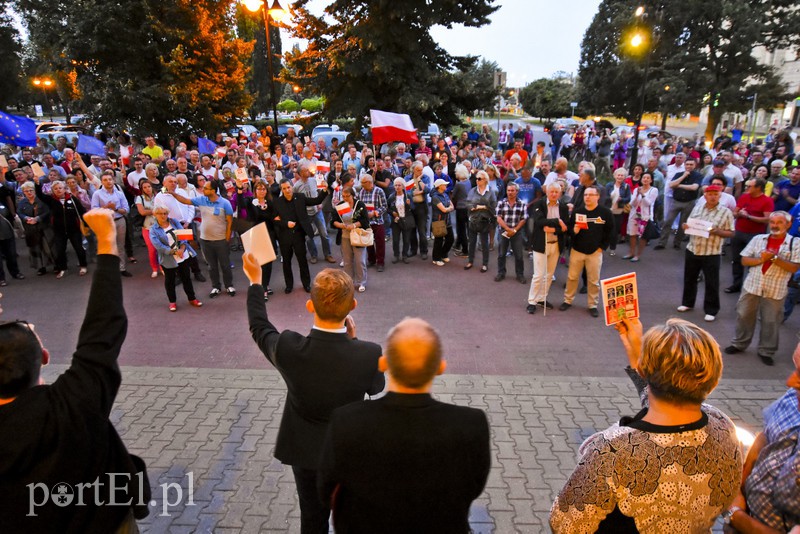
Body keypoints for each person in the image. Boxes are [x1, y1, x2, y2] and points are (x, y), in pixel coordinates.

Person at [0, 208, 150, 533]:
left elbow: (102, 332)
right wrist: (107, 241)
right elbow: (103, 326)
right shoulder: (72, 404)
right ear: (44, 356)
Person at [550, 317, 742, 532]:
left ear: (644, 369)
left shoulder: (614, 450)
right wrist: (637, 354)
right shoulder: (721, 424)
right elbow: (665, 400)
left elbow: (564, 524)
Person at [243, 254, 384, 534]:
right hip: (348, 454)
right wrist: (354, 341)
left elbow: (259, 327)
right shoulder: (368, 353)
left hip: (305, 455)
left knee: (312, 518)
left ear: (310, 306)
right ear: (352, 306)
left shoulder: (289, 348)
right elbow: (376, 387)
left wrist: (256, 282)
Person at [318, 317, 491, 533]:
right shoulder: (471, 424)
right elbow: (473, 486)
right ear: (440, 367)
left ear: (383, 364)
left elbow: (326, 490)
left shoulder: (346, 421)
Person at [723, 340, 800, 532]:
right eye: (797, 369)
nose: (790, 382)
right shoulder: (793, 396)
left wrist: (735, 515)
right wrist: (739, 486)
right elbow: (765, 436)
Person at [725, 211, 800, 366]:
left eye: (779, 222)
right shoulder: (758, 239)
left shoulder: (795, 243)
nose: (775, 225)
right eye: (772, 222)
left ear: (788, 224)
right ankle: (739, 343)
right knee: (744, 315)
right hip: (752, 285)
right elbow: (744, 260)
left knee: (771, 321)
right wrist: (761, 259)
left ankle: (766, 351)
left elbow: (794, 267)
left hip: (776, 288)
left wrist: (774, 258)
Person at [676, 184, 735, 322]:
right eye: (710, 194)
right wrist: (685, 226)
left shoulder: (726, 212)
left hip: (711, 252)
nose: (713, 197)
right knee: (690, 278)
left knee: (711, 282)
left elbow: (731, 232)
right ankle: (687, 303)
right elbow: (689, 224)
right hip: (693, 248)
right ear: (705, 196)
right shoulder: (697, 208)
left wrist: (717, 231)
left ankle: (711, 310)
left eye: (716, 194)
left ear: (720, 196)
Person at [170, 179, 235, 298]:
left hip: (221, 240)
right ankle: (216, 287)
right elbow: (185, 201)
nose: (203, 190)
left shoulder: (225, 203)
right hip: (205, 240)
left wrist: (227, 239)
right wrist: (173, 193)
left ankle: (229, 285)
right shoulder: (201, 199)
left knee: (225, 265)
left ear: (213, 190)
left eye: (206, 188)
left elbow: (230, 222)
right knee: (211, 266)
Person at [560, 185, 614, 317]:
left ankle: (592, 305)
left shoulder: (605, 213)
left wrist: (602, 247)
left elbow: (610, 231)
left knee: (593, 281)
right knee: (572, 277)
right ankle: (568, 300)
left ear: (598, 197)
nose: (587, 197)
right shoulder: (578, 211)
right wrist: (574, 231)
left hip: (595, 252)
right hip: (577, 250)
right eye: (585, 195)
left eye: (591, 195)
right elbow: (569, 231)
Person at [272, 178, 328, 293]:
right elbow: (274, 220)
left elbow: (316, 200)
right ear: (281, 190)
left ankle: (306, 284)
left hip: (299, 235)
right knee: (286, 262)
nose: (287, 190)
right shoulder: (277, 202)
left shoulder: (300, 197)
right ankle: (289, 285)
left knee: (302, 261)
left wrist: (324, 190)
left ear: (292, 187)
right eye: (284, 188)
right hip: (284, 236)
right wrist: (286, 223)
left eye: (288, 187)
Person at [149, 206, 203, 311]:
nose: (163, 216)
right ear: (155, 215)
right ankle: (172, 302)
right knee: (170, 281)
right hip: (168, 259)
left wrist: (182, 249)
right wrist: (174, 252)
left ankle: (192, 298)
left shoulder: (174, 222)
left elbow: (183, 236)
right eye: (160, 213)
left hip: (182, 255)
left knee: (186, 278)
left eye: (165, 213)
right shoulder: (153, 229)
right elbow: (158, 246)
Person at [726, 178, 775, 293]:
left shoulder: (767, 201)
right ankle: (736, 284)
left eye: (749, 186)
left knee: (752, 261)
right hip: (739, 232)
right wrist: (738, 213)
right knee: (736, 259)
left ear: (758, 188)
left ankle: (750, 286)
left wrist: (748, 216)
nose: (746, 188)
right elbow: (735, 212)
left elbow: (767, 219)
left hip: (755, 235)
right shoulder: (744, 197)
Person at [527, 183, 568, 312]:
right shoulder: (539, 204)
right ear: (547, 192)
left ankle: (541, 298)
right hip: (541, 244)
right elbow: (539, 222)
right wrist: (558, 221)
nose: (554, 194)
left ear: (560, 193)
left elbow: (565, 227)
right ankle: (532, 301)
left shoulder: (563, 206)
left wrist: (553, 229)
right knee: (538, 275)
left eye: (556, 192)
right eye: (552, 191)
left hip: (555, 244)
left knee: (549, 275)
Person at [36, 179, 88, 279]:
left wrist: (86, 225)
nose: (58, 190)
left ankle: (83, 266)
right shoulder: (51, 200)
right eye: (55, 189)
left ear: (65, 189)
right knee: (60, 250)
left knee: (79, 248)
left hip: (74, 229)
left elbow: (82, 211)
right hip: (59, 231)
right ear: (53, 191)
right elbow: (40, 195)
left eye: (60, 188)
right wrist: (37, 184)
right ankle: (63, 268)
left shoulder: (72, 199)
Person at [655, 157, 702, 251]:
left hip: (689, 202)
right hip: (676, 201)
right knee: (668, 221)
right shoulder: (679, 174)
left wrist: (679, 185)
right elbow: (671, 185)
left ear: (695, 165)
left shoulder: (698, 176)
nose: (689, 166)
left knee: (683, 224)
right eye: (687, 164)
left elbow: (694, 187)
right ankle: (662, 243)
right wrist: (683, 176)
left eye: (691, 164)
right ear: (684, 165)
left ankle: (677, 243)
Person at [91, 170, 132, 276]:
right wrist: (106, 207)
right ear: (102, 182)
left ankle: (122, 268)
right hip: (106, 222)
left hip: (120, 221)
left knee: (120, 245)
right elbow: (94, 211)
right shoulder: (97, 194)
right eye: (105, 180)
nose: (108, 181)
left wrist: (116, 208)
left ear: (113, 180)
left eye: (110, 179)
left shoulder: (119, 193)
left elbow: (126, 209)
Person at [293, 162, 335, 265]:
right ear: (300, 173)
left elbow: (322, 192)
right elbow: (295, 201)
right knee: (308, 237)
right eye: (305, 171)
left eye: (308, 170)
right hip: (306, 215)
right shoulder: (296, 186)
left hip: (317, 212)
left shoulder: (314, 180)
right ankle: (313, 255)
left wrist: (321, 204)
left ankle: (328, 254)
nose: (308, 172)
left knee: (324, 234)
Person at [331, 187, 370, 293]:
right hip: (345, 236)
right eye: (343, 196)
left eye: (347, 196)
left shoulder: (359, 204)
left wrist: (354, 225)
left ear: (353, 195)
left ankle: (361, 282)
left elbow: (365, 220)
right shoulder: (340, 205)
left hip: (358, 236)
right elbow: (333, 221)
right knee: (347, 261)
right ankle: (349, 281)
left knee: (360, 260)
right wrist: (340, 225)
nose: (345, 198)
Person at [494, 182, 529, 285]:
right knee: (501, 254)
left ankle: (520, 274)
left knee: (519, 255)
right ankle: (501, 273)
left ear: (517, 191)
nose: (510, 192)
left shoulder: (522, 204)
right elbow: (498, 218)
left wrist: (514, 230)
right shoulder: (501, 203)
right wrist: (507, 229)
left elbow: (523, 219)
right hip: (503, 231)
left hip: (516, 232)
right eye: (508, 190)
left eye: (512, 190)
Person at [16, 181, 52, 276]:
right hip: (31, 229)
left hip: (44, 227)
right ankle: (41, 267)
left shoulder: (41, 200)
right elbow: (19, 212)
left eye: (31, 190)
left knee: (48, 247)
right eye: (26, 191)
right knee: (35, 248)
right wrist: (25, 218)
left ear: (35, 190)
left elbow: (47, 211)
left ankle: (56, 264)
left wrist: (38, 218)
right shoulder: (22, 202)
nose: (29, 192)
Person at [465, 170, 497, 272]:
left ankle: (485, 264)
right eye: (476, 179)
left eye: (479, 179)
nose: (477, 180)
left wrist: (484, 207)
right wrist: (475, 207)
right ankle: (470, 261)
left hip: (485, 221)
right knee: (472, 243)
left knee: (484, 244)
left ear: (485, 180)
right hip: (473, 220)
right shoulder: (472, 191)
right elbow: (468, 203)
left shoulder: (491, 192)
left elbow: (493, 205)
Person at [625, 172, 660, 262]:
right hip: (634, 214)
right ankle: (631, 252)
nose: (645, 179)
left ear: (651, 180)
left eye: (648, 178)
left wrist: (643, 195)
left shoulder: (654, 190)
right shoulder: (637, 189)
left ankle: (638, 255)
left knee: (643, 236)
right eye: (644, 177)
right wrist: (637, 194)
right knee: (632, 234)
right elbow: (632, 203)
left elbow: (648, 203)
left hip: (645, 216)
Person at [358, 174, 387, 272]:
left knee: (380, 242)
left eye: (363, 183)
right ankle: (371, 260)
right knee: (368, 242)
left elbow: (384, 206)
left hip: (377, 221)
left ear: (369, 182)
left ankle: (380, 262)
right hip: (366, 222)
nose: (361, 184)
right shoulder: (361, 192)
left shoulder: (379, 191)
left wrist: (375, 213)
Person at [387, 177, 415, 264]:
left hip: (406, 220)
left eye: (399, 185)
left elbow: (414, 208)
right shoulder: (391, 197)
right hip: (396, 221)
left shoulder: (408, 196)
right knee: (395, 240)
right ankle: (396, 255)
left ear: (403, 186)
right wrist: (392, 213)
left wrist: (409, 205)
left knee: (406, 239)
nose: (397, 187)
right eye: (395, 185)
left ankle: (405, 255)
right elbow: (387, 208)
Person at [135, 179, 159, 278]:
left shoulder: (158, 196)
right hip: (147, 227)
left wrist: (149, 210)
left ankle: (163, 267)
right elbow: (142, 212)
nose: (147, 189)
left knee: (161, 248)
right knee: (152, 249)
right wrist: (156, 211)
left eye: (149, 186)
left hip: (160, 226)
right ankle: (154, 268)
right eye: (144, 187)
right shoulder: (139, 198)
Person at [605, 168, 632, 255]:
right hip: (609, 210)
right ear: (615, 176)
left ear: (624, 177)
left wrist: (621, 199)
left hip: (619, 211)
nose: (620, 177)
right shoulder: (609, 185)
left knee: (615, 231)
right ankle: (603, 246)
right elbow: (605, 197)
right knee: (606, 229)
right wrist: (610, 198)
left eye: (622, 175)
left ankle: (612, 248)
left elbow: (628, 198)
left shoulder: (626, 186)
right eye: (618, 175)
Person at [430, 178, 455, 267]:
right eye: (444, 184)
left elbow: (452, 206)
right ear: (439, 186)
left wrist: (448, 208)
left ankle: (443, 254)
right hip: (439, 221)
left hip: (447, 221)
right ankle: (436, 258)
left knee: (450, 239)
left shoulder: (445, 194)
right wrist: (449, 209)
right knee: (438, 241)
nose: (446, 185)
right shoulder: (435, 197)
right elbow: (444, 209)